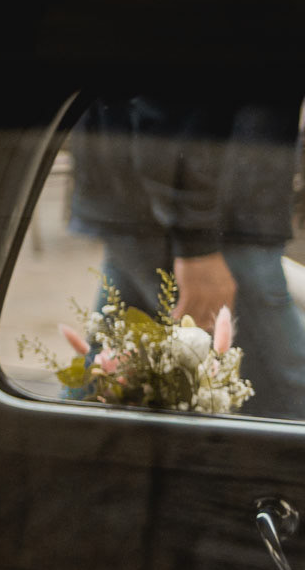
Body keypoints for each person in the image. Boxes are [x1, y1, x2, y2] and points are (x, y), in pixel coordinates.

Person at [69, 93, 305, 419]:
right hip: (213, 219)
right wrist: (196, 242)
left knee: (106, 376)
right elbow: (173, 98)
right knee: (289, 392)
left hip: (169, 204)